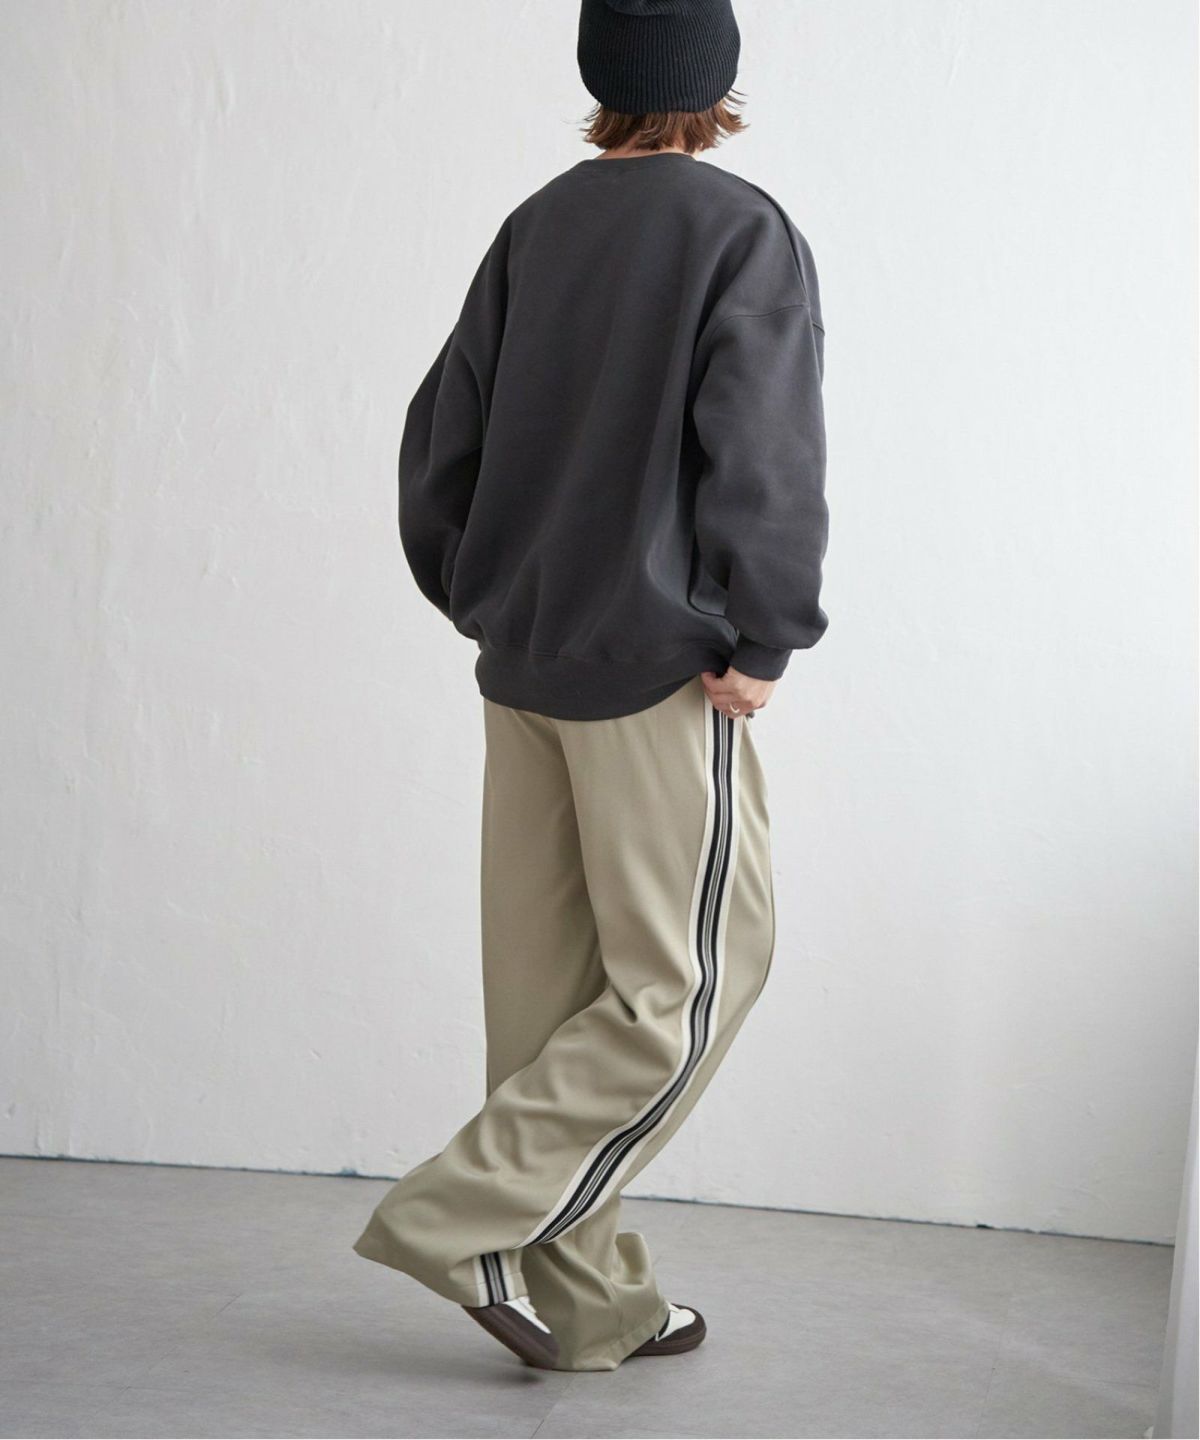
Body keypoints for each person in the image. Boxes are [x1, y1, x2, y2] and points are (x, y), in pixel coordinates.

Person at [353, 0, 828, 1373]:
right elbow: (764, 448)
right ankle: (455, 1219)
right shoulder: (739, 229)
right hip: (657, 671)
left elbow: (439, 442)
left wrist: (489, 597)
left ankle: (589, 1305)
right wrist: (764, 633)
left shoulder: (537, 227)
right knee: (693, 982)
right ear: (717, 75)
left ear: (598, 71)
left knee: (550, 1008)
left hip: (527, 665)